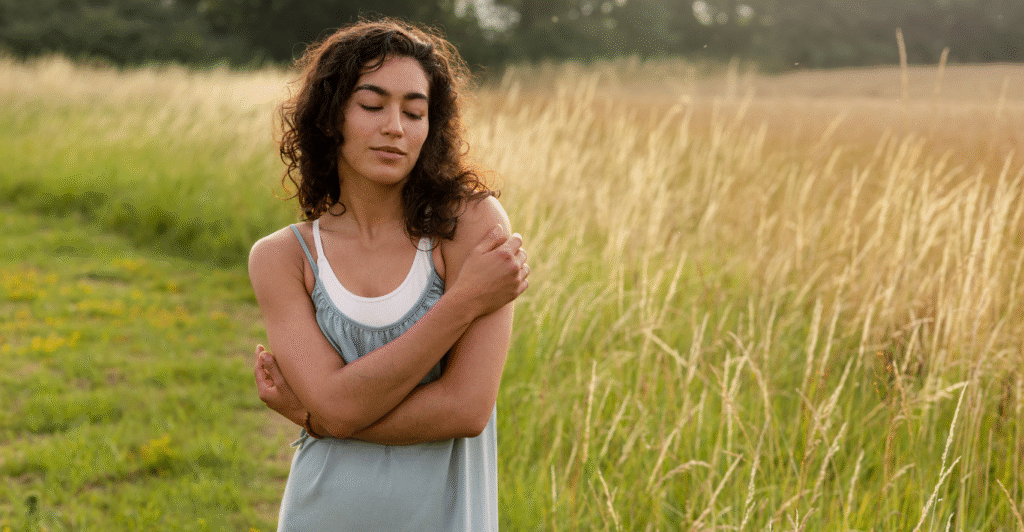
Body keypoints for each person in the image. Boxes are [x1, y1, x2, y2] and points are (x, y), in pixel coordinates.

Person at [246, 19, 529, 531]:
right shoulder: (282, 258)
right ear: (331, 118)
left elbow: (465, 410)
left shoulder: (469, 225)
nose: (395, 127)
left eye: (414, 111)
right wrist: (463, 302)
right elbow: (333, 407)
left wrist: (322, 418)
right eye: (372, 106)